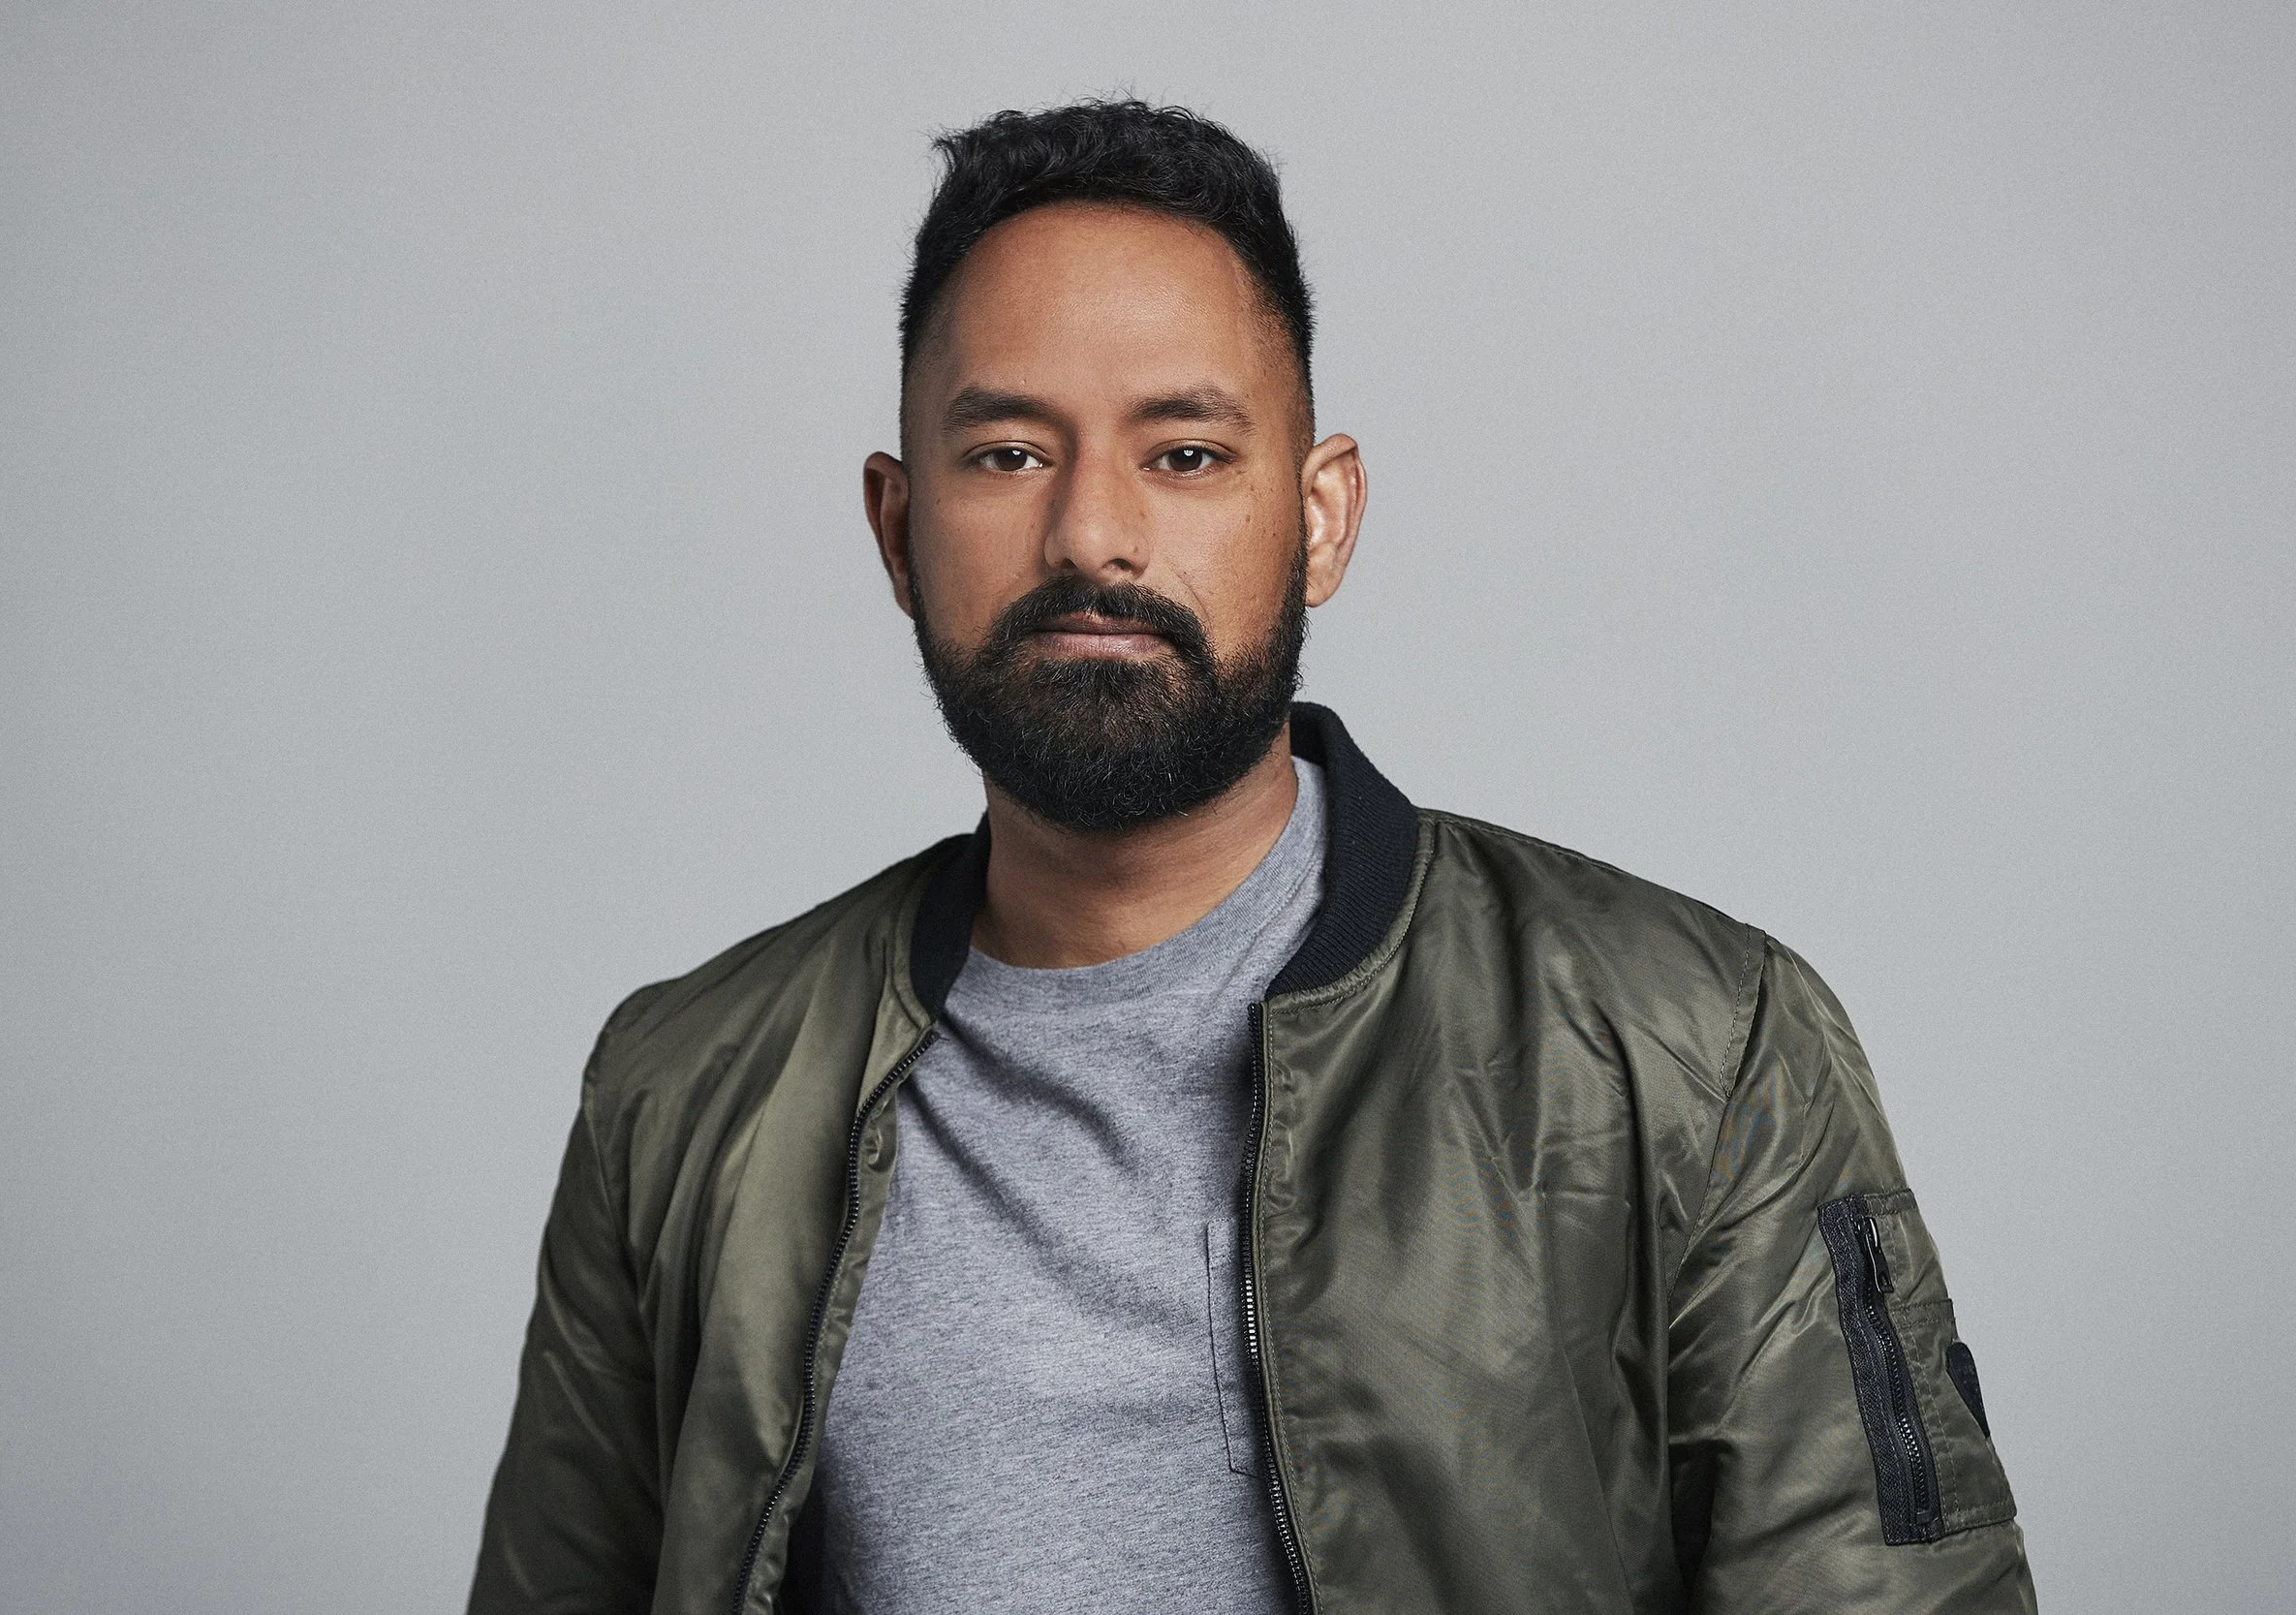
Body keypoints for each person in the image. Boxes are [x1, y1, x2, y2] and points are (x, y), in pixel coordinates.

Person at [469, 100, 2033, 1615]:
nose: (1092, 533)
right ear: (896, 528)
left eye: (1188, 454)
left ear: (1322, 515)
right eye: (1007, 453)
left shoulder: (1697, 1047)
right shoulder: (682, 1098)